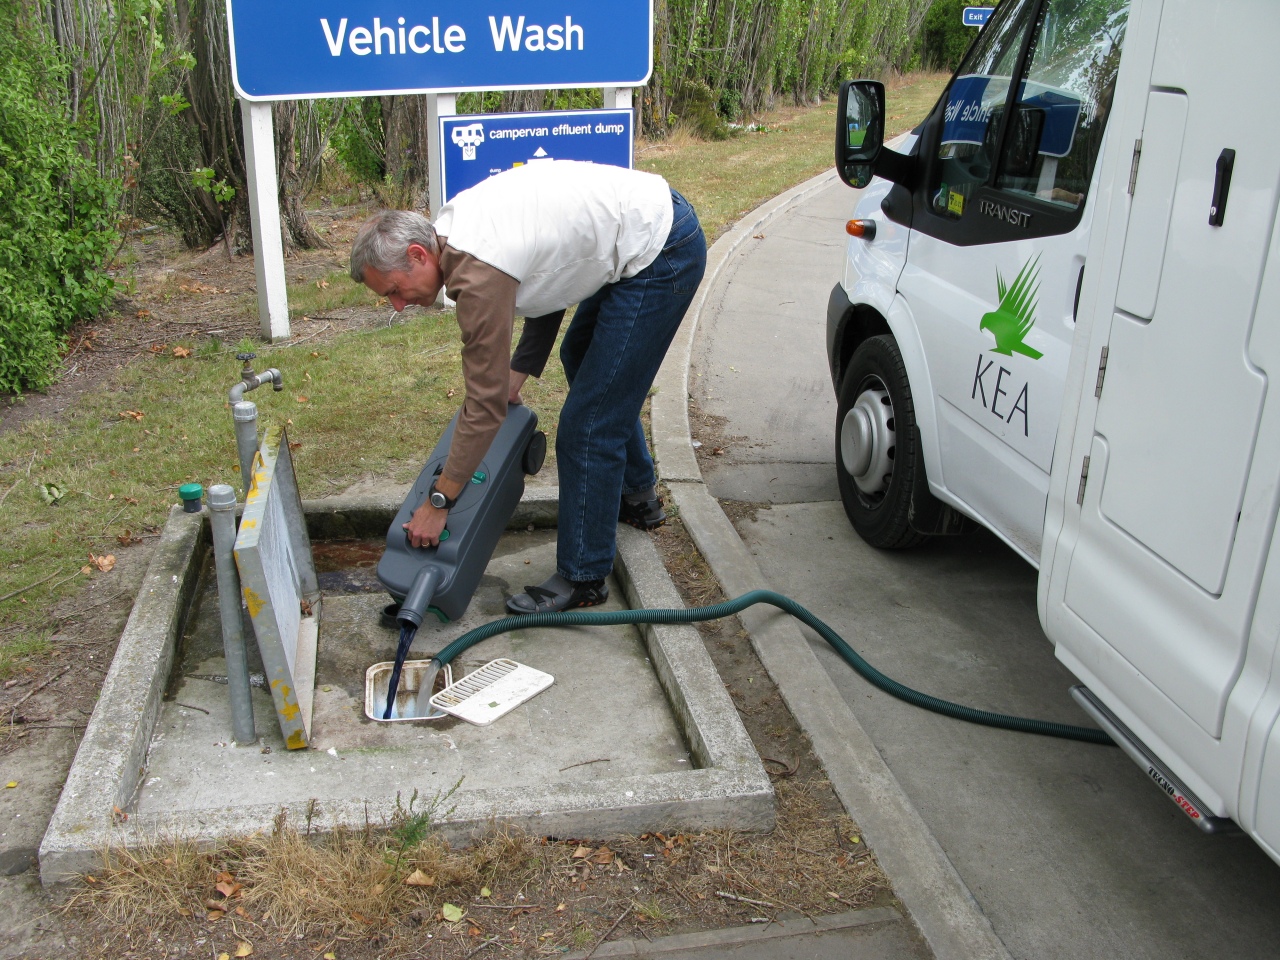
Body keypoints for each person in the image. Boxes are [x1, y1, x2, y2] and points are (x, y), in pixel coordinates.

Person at [349, 159, 707, 614]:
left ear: (419, 255)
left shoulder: (477, 271)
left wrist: (440, 501)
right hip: (640, 226)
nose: (398, 305)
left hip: (661, 248)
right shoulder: (456, 233)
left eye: (394, 291)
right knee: (582, 358)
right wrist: (518, 368)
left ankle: (583, 577)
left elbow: (482, 407)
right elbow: (549, 274)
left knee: (588, 426)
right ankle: (638, 496)